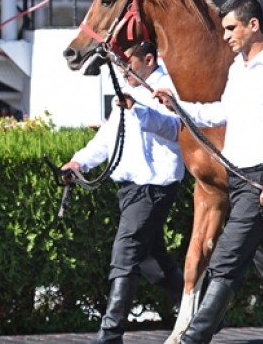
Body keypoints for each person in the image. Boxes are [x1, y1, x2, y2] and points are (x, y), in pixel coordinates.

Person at [149, 0, 263, 344]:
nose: (226, 35)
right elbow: (219, 113)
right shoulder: (238, 69)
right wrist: (177, 105)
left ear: (253, 25)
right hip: (240, 180)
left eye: (231, 28)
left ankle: (193, 339)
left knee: (225, 262)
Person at [61, 42, 185, 344]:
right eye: (119, 64)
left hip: (154, 185)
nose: (122, 70)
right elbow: (108, 136)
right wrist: (80, 161)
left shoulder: (169, 87)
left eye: (127, 63)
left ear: (148, 59)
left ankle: (110, 334)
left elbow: (176, 129)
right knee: (150, 259)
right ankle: (202, 312)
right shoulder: (129, 91)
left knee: (125, 252)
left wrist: (138, 109)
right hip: (129, 188)